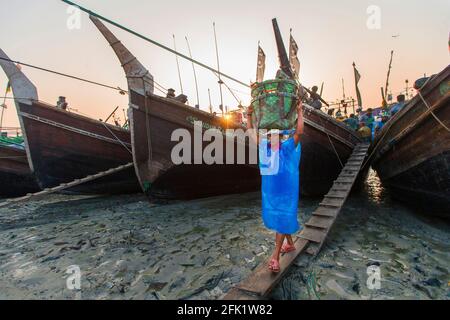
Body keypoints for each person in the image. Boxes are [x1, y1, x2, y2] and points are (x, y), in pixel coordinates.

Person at [246, 100, 304, 273]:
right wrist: (249, 115)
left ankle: (275, 257)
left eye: (276, 135)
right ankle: (291, 244)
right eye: (270, 135)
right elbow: (250, 133)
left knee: (282, 220)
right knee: (282, 219)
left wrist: (300, 112)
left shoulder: (287, 147)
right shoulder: (265, 148)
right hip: (272, 193)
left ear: (280, 137)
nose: (272, 138)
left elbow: (299, 131)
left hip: (287, 193)